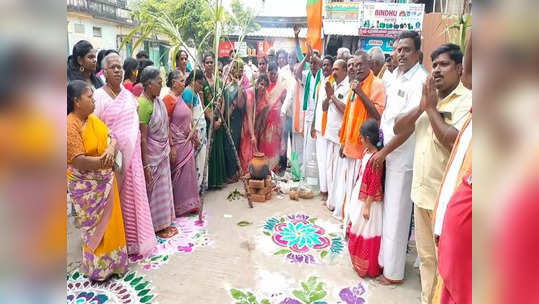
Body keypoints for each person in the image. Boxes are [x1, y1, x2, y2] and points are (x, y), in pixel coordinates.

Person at [389, 43, 472, 301]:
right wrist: (422, 106)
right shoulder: (428, 97)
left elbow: (454, 142)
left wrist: (430, 109)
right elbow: (398, 128)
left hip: (446, 202)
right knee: (426, 260)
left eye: (444, 64)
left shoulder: (467, 101)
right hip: (421, 194)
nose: (437, 70)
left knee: (446, 266)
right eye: (434, 65)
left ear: (460, 69)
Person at [372, 30, 428, 288]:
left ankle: (393, 273)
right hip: (388, 153)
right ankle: (384, 261)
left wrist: (383, 152)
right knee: (387, 211)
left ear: (417, 52)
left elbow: (408, 126)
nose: (401, 54)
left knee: (397, 213)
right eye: (398, 50)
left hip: (403, 157)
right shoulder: (394, 75)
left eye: (406, 49)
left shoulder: (421, 81)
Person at [93, 53, 157, 256]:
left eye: (120, 67)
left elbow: (135, 128)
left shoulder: (130, 97)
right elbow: (94, 128)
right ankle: (117, 244)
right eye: (113, 67)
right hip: (112, 160)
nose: (118, 70)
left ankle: (136, 242)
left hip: (133, 161)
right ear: (104, 72)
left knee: (134, 200)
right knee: (116, 203)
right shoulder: (98, 97)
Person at [67, 80, 128, 281]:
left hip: (106, 181)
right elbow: (78, 160)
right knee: (95, 228)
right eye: (89, 97)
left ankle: (116, 265)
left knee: (112, 224)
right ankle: (98, 269)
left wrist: (111, 149)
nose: (94, 101)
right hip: (88, 187)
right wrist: (103, 162)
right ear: (76, 101)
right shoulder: (70, 125)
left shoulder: (93, 121)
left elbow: (112, 136)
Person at [334, 51, 386, 221]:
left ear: (369, 64)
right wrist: (343, 141)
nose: (356, 68)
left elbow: (377, 115)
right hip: (350, 145)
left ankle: (354, 224)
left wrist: (362, 93)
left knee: (358, 192)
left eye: (360, 64)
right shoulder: (355, 84)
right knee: (348, 187)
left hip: (364, 148)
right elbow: (349, 115)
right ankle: (347, 222)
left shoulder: (377, 84)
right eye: (354, 65)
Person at [137, 66, 176, 238]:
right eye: (159, 83)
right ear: (148, 84)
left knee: (164, 189)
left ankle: (165, 222)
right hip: (152, 155)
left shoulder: (157, 102)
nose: (161, 86)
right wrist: (145, 165)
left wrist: (171, 145)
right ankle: (156, 227)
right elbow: (143, 138)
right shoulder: (143, 105)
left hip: (162, 152)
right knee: (153, 192)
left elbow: (165, 126)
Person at [347, 119, 385, 278]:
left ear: (368, 139)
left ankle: (368, 267)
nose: (360, 141)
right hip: (360, 197)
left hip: (369, 202)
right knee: (356, 226)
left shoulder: (376, 158)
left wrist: (367, 206)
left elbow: (374, 183)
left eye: (361, 138)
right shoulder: (367, 153)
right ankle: (358, 262)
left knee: (367, 230)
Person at [165, 70, 201, 217]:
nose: (183, 83)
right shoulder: (168, 99)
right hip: (177, 144)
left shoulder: (180, 98)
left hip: (187, 142)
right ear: (174, 83)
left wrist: (194, 134)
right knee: (178, 176)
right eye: (181, 81)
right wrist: (172, 146)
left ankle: (190, 204)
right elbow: (166, 124)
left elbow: (188, 118)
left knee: (188, 175)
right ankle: (179, 207)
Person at [324, 59, 349, 211]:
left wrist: (332, 96)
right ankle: (330, 200)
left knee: (337, 172)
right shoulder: (332, 84)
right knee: (329, 169)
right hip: (330, 134)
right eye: (333, 69)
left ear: (345, 70)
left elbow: (346, 109)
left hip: (339, 136)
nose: (333, 72)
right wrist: (328, 96)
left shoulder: (347, 87)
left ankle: (335, 203)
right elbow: (324, 108)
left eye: (336, 69)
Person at [294, 44, 322, 176]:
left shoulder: (324, 76)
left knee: (317, 150)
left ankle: (316, 179)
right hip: (308, 116)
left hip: (320, 118)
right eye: (311, 63)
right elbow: (296, 74)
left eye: (315, 62)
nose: (313, 65)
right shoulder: (307, 74)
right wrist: (306, 57)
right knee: (307, 149)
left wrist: (317, 59)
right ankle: (308, 177)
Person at [201, 53, 227, 189]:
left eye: (212, 62)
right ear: (203, 64)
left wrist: (220, 119)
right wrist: (211, 119)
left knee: (218, 149)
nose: (210, 65)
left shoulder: (219, 81)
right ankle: (209, 182)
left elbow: (222, 101)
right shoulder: (202, 82)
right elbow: (202, 103)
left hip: (219, 120)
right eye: (207, 62)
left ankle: (219, 180)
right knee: (210, 150)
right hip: (208, 121)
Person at [313, 55, 335, 201]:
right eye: (324, 65)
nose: (325, 67)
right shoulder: (321, 82)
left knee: (329, 163)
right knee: (321, 161)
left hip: (329, 129)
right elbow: (316, 106)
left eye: (328, 65)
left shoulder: (333, 83)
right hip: (319, 127)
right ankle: (323, 190)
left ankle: (329, 193)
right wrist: (314, 126)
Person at [239, 74, 271, 173]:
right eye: (261, 84)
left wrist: (258, 130)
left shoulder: (265, 95)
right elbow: (249, 116)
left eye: (265, 86)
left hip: (256, 124)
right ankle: (246, 170)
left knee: (255, 148)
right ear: (257, 84)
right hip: (247, 123)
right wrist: (252, 135)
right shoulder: (250, 94)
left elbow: (262, 115)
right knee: (246, 147)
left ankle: (254, 170)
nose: (263, 87)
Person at [182, 70, 207, 188]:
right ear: (193, 81)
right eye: (199, 83)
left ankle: (200, 186)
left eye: (202, 84)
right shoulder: (188, 93)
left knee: (201, 161)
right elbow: (189, 117)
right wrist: (194, 135)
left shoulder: (196, 93)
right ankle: (195, 188)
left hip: (201, 132)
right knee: (196, 162)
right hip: (195, 133)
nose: (201, 86)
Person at [223, 58, 246, 182]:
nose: (235, 71)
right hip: (226, 120)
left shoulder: (242, 86)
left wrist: (240, 86)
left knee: (232, 146)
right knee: (227, 146)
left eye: (239, 69)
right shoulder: (227, 85)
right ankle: (230, 172)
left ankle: (233, 173)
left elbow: (241, 105)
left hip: (235, 121)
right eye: (234, 68)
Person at [263, 63, 287, 171]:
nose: (272, 76)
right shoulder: (264, 86)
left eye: (274, 74)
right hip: (264, 122)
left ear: (277, 73)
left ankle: (274, 169)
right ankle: (266, 169)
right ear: (267, 73)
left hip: (276, 123)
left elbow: (283, 107)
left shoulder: (281, 88)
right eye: (270, 73)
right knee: (265, 145)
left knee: (274, 146)